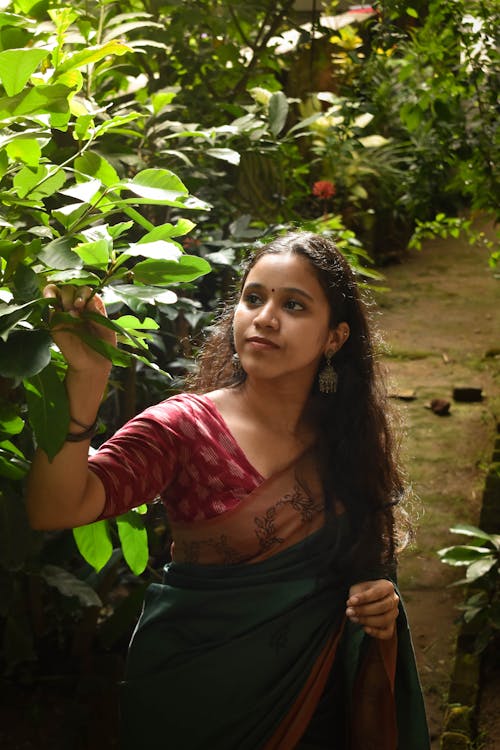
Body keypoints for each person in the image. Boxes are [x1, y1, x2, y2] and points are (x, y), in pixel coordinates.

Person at [27, 231, 430, 749]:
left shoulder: (348, 439)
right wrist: (87, 376)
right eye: (253, 298)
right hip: (195, 704)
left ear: (334, 337)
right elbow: (53, 506)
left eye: (294, 305)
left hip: (318, 704)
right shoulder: (183, 429)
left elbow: (369, 565)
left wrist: (380, 601)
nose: (264, 317)